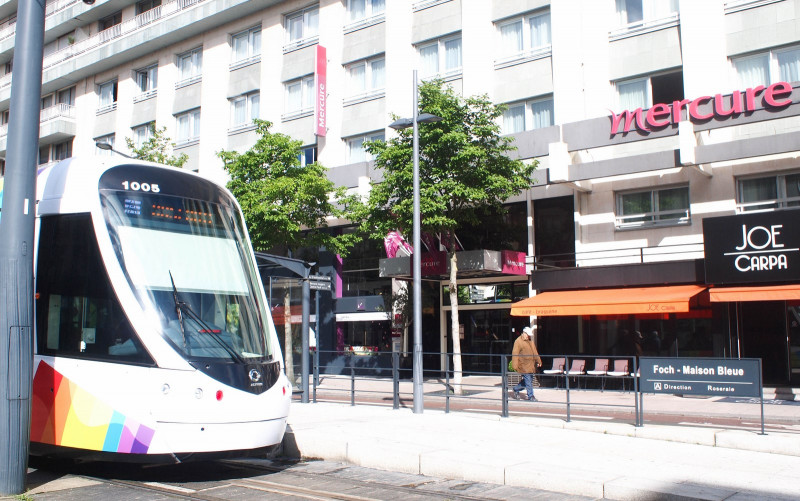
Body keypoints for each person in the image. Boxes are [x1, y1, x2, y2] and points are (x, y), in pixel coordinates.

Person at [511, 326, 542, 401]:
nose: (528, 336)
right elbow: (515, 354)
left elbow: (535, 352)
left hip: (531, 365)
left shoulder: (530, 341)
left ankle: (516, 389)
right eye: (527, 334)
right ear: (524, 333)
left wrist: (539, 361)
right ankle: (531, 396)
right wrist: (515, 365)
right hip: (523, 365)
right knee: (528, 380)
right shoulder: (518, 341)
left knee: (528, 381)